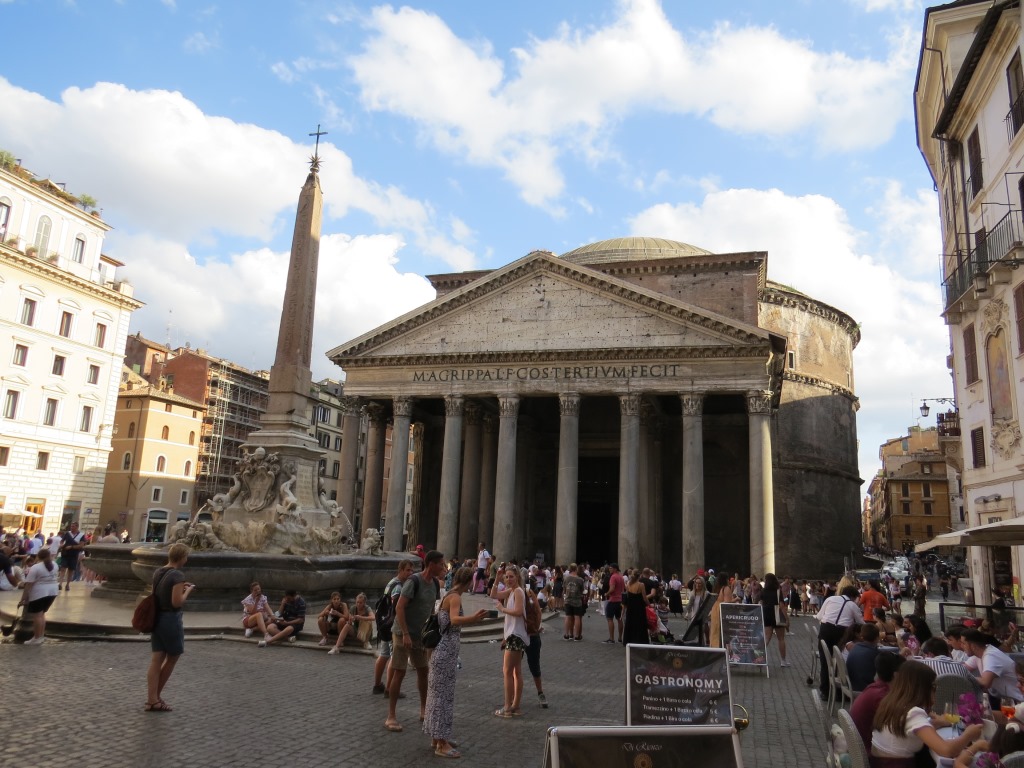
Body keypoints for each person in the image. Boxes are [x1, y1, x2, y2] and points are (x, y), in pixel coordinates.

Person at [423, 566, 488, 757]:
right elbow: (454, 619)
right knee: (443, 698)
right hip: (445, 652)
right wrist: (474, 618)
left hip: (441, 651)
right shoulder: (456, 597)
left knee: (436, 696)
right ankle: (442, 745)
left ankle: (437, 736)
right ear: (468, 582)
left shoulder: (448, 594)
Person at [870, 660, 982, 766]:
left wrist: (937, 723)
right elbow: (947, 751)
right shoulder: (913, 713)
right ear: (922, 688)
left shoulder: (891, 703)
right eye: (933, 686)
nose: (935, 690)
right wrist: (969, 736)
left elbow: (908, 730)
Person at [386, 550, 446, 733]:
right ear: (431, 564)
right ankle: (391, 716)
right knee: (399, 672)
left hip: (420, 635)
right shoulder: (414, 581)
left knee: (423, 671)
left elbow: (431, 609)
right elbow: (399, 607)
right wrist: (405, 634)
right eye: (441, 564)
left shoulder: (435, 583)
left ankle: (423, 710)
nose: (443, 568)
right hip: (402, 632)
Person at [144, 542, 195, 711]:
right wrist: (187, 591)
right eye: (186, 556)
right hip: (170, 620)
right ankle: (155, 698)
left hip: (157, 618)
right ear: (182, 557)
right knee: (173, 657)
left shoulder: (158, 572)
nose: (187, 559)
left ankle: (151, 698)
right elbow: (176, 602)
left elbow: (155, 594)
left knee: (156, 659)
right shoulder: (177, 575)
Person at [491, 564, 529, 717]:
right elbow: (494, 594)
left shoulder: (518, 591)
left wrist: (502, 609)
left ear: (517, 577)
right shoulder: (512, 591)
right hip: (514, 634)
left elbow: (519, 612)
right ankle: (516, 706)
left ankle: (507, 707)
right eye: (506, 577)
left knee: (507, 671)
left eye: (511, 576)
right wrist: (497, 579)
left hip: (515, 635)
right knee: (516, 672)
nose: (508, 579)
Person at [373, 559, 414, 695]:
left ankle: (378, 684)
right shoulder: (398, 586)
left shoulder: (391, 582)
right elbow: (398, 607)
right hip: (392, 625)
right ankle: (390, 689)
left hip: (384, 622)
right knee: (393, 656)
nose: (410, 573)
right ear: (400, 570)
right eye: (407, 570)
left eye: (411, 570)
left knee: (383, 654)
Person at [850, 652, 906, 749]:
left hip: (860, 747)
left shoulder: (876, 688)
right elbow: (899, 726)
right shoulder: (882, 696)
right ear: (896, 675)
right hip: (870, 752)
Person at [816, 584, 864, 699]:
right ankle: (838, 689)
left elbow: (819, 616)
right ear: (853, 597)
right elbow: (861, 623)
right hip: (841, 632)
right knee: (840, 659)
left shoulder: (830, 599)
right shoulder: (852, 605)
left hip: (825, 629)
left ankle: (825, 691)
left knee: (825, 660)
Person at [964, 629, 1024, 706]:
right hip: (1000, 699)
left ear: (973, 646)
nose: (962, 646)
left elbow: (985, 683)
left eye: (963, 643)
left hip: (1015, 701)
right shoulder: (978, 655)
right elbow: (962, 668)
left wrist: (967, 677)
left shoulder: (991, 655)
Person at [18, 547, 60, 644]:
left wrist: (23, 599)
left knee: (37, 616)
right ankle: (40, 636)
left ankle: (36, 637)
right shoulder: (55, 564)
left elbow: (28, 584)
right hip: (53, 591)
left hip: (39, 593)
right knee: (42, 614)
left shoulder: (36, 567)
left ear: (38, 556)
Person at [760, 572, 789, 667]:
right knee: (781, 639)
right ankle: (783, 661)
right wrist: (786, 618)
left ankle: (758, 657)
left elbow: (760, 603)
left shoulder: (763, 591)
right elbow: (781, 605)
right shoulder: (778, 590)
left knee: (767, 638)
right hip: (777, 615)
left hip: (766, 615)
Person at [845, 623, 882, 691]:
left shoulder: (856, 646)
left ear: (862, 636)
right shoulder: (874, 652)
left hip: (851, 684)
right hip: (864, 688)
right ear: (877, 638)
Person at [621, 570, 650, 646]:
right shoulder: (641, 585)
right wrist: (649, 604)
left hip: (630, 606)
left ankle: (629, 639)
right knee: (640, 623)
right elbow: (644, 598)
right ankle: (640, 640)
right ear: (639, 576)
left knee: (630, 623)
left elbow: (627, 595)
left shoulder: (628, 584)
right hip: (639, 606)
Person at [57, 521, 86, 591]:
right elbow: (62, 541)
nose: (71, 528)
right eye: (71, 526)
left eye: (73, 526)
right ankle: (60, 584)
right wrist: (61, 544)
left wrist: (71, 547)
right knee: (63, 568)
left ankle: (67, 584)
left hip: (74, 554)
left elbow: (81, 545)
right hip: (65, 553)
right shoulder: (67, 533)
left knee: (71, 570)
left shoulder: (81, 535)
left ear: (77, 527)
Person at [562, 562, 586, 641]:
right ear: (576, 569)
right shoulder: (580, 580)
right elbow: (583, 590)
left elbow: (564, 590)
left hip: (568, 600)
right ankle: (576, 636)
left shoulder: (566, 578)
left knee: (568, 617)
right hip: (577, 600)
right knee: (577, 617)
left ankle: (566, 634)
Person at [604, 563, 624, 644]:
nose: (609, 570)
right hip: (620, 600)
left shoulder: (613, 577)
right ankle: (620, 637)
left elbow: (612, 589)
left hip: (613, 600)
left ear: (615, 569)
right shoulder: (621, 577)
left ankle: (611, 638)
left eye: (611, 568)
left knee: (609, 619)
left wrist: (607, 593)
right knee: (619, 619)